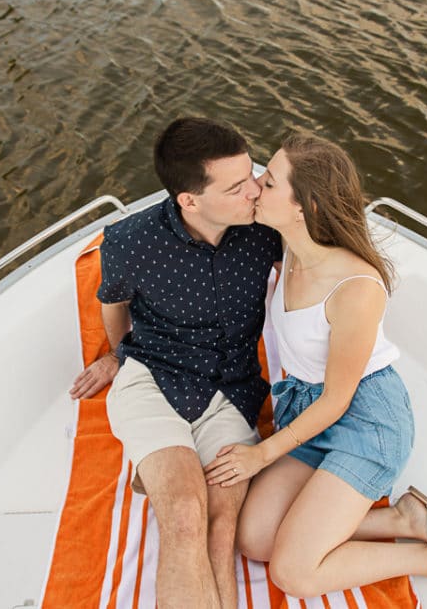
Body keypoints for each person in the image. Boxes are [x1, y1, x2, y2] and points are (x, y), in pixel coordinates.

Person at [203, 131, 427, 608]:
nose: (255, 187)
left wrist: (260, 456)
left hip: (365, 422)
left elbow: (338, 400)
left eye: (268, 182)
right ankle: (402, 519)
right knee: (254, 539)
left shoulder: (355, 287)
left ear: (303, 208)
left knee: (293, 572)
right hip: (306, 411)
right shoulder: (282, 242)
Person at [69, 117, 282, 609]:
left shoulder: (266, 229)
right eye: (236, 186)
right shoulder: (129, 241)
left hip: (233, 392)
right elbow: (112, 303)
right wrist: (118, 356)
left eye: (251, 173)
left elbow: (320, 268)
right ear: (190, 200)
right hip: (153, 379)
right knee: (185, 514)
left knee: (221, 525)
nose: (254, 190)